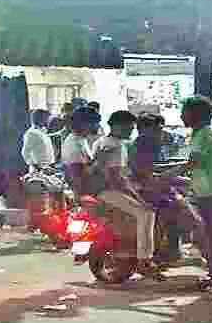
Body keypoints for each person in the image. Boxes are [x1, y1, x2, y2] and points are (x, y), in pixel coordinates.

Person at [176, 96, 212, 293]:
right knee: (210, 236)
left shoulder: (205, 134)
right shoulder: (199, 134)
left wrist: (166, 175)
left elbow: (193, 162)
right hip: (207, 191)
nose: (181, 116)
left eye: (184, 112)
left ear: (196, 115)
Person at [93, 111, 158, 271]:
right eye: (129, 127)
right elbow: (117, 179)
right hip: (108, 191)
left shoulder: (101, 141)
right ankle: (144, 259)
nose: (131, 130)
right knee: (147, 213)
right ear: (116, 126)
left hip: (103, 189)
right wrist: (139, 199)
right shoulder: (116, 146)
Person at [131, 112, 197, 265]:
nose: (160, 132)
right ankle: (164, 252)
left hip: (156, 185)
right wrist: (182, 172)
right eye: (157, 129)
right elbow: (150, 171)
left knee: (181, 205)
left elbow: (160, 165)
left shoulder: (150, 143)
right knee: (182, 211)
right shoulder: (145, 143)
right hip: (149, 188)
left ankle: (172, 250)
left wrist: (180, 167)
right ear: (145, 129)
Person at [60, 107, 102, 195]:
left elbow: (87, 164)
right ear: (84, 124)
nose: (98, 126)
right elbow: (79, 178)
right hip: (84, 193)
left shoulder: (81, 139)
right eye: (95, 123)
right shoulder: (74, 145)